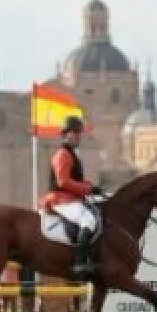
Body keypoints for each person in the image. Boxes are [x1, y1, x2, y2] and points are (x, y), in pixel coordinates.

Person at [38, 115, 103, 280]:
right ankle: (79, 263)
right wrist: (87, 188)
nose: (78, 136)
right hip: (60, 199)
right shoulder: (63, 154)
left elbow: (76, 180)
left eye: (78, 133)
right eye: (74, 133)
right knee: (88, 220)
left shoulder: (71, 153)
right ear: (65, 134)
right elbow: (63, 181)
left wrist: (92, 187)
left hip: (69, 198)